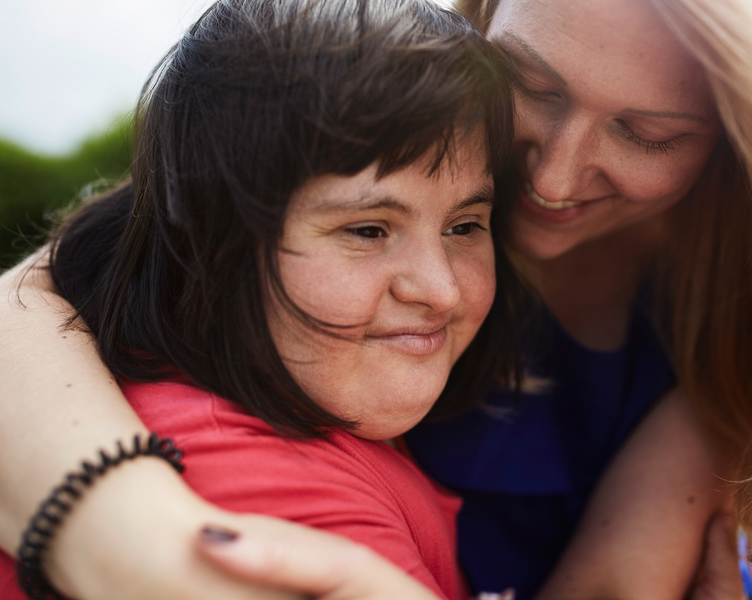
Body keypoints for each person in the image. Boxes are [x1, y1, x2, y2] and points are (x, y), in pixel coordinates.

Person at [2, 0, 752, 597]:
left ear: (739, 141)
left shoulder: (732, 326)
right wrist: (125, 535)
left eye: (648, 135)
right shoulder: (342, 131)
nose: (551, 179)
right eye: (529, 83)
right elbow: (42, 298)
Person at [0, 0, 516, 597]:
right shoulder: (272, 500)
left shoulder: (306, 393)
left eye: (464, 226)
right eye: (367, 230)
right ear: (213, 237)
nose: (442, 289)